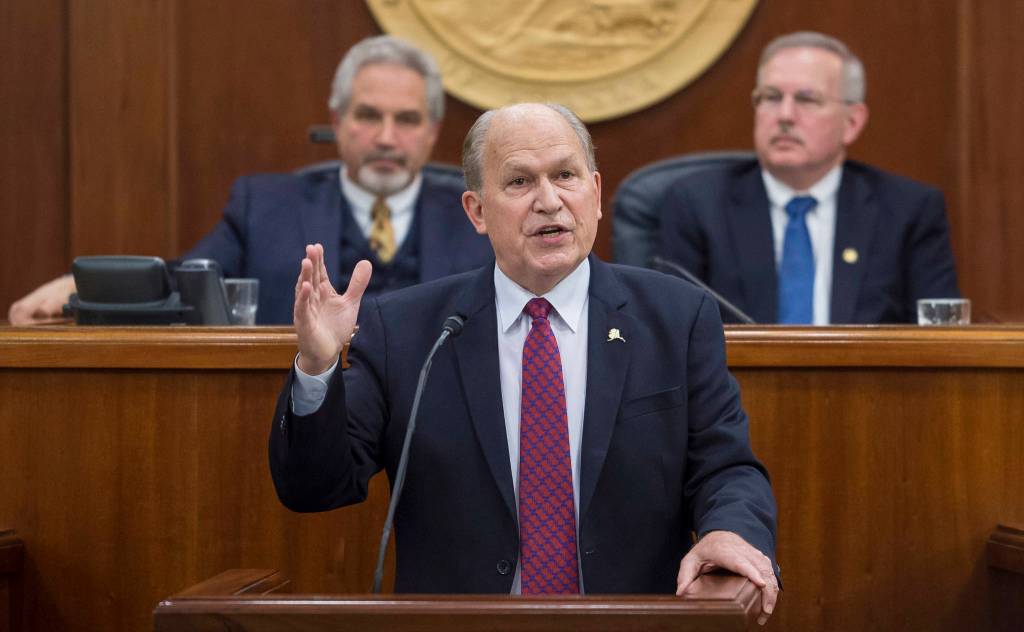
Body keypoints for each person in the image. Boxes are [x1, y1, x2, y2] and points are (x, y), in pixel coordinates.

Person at [269, 103, 779, 623]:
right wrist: (316, 366)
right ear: (477, 211)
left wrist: (727, 532)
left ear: (596, 194)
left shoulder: (676, 317)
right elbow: (315, 487)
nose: (550, 201)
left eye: (565, 175)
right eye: (519, 182)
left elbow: (726, 466)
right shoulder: (408, 331)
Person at [7, 36, 492, 325]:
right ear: (338, 119)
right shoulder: (264, 206)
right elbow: (184, 285)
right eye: (368, 115)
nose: (387, 137)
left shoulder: (481, 218)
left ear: (430, 133)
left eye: (406, 120)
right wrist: (82, 288)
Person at [657, 31, 960, 324]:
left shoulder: (907, 211)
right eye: (771, 97)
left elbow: (937, 340)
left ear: (852, 122)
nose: (785, 115)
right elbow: (671, 332)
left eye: (807, 99)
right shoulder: (697, 205)